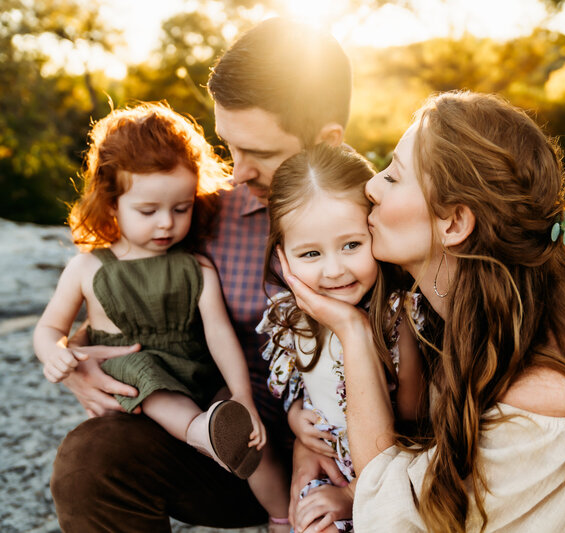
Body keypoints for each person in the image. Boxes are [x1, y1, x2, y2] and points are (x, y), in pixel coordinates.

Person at [278, 91, 565, 532]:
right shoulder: (471, 314)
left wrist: (351, 332)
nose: (371, 185)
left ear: (453, 224)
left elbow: (393, 514)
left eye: (393, 175)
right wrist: (305, 444)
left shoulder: (536, 392)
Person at [47, 18, 351, 532]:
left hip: (351, 458)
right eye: (228, 146)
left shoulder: (378, 217)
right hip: (221, 439)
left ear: (328, 140)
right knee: (91, 458)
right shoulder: (202, 216)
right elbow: (125, 291)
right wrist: (78, 358)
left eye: (260, 153)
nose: (238, 172)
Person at [33, 101, 294, 527]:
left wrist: (241, 395)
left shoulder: (195, 266)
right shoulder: (88, 268)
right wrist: (57, 355)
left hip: (198, 375)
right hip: (137, 375)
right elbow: (51, 327)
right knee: (144, 372)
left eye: (181, 208)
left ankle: (283, 517)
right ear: (112, 203)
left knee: (247, 439)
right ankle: (198, 433)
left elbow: (218, 333)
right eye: (148, 211)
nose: (166, 225)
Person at [257, 144, 425, 532]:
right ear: (282, 257)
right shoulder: (289, 318)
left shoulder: (400, 319)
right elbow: (304, 391)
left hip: (389, 481)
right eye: (310, 254)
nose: (334, 270)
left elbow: (415, 429)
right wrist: (297, 420)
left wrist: (352, 495)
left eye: (351, 245)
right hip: (325, 470)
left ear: (374, 231)